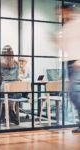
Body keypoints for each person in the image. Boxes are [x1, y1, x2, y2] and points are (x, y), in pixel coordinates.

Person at [54, 3, 80, 133]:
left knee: (74, 93)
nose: (60, 16)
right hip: (69, 62)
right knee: (73, 94)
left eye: (61, 13)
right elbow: (66, 47)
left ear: (67, 11)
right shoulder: (66, 27)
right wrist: (56, 42)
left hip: (78, 62)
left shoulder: (78, 22)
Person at [0, 45, 21, 125]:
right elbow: (17, 76)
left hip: (5, 90)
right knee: (11, 94)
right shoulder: (16, 63)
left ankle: (7, 113)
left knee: (5, 94)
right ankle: (11, 110)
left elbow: (0, 77)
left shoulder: (0, 63)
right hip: (17, 93)